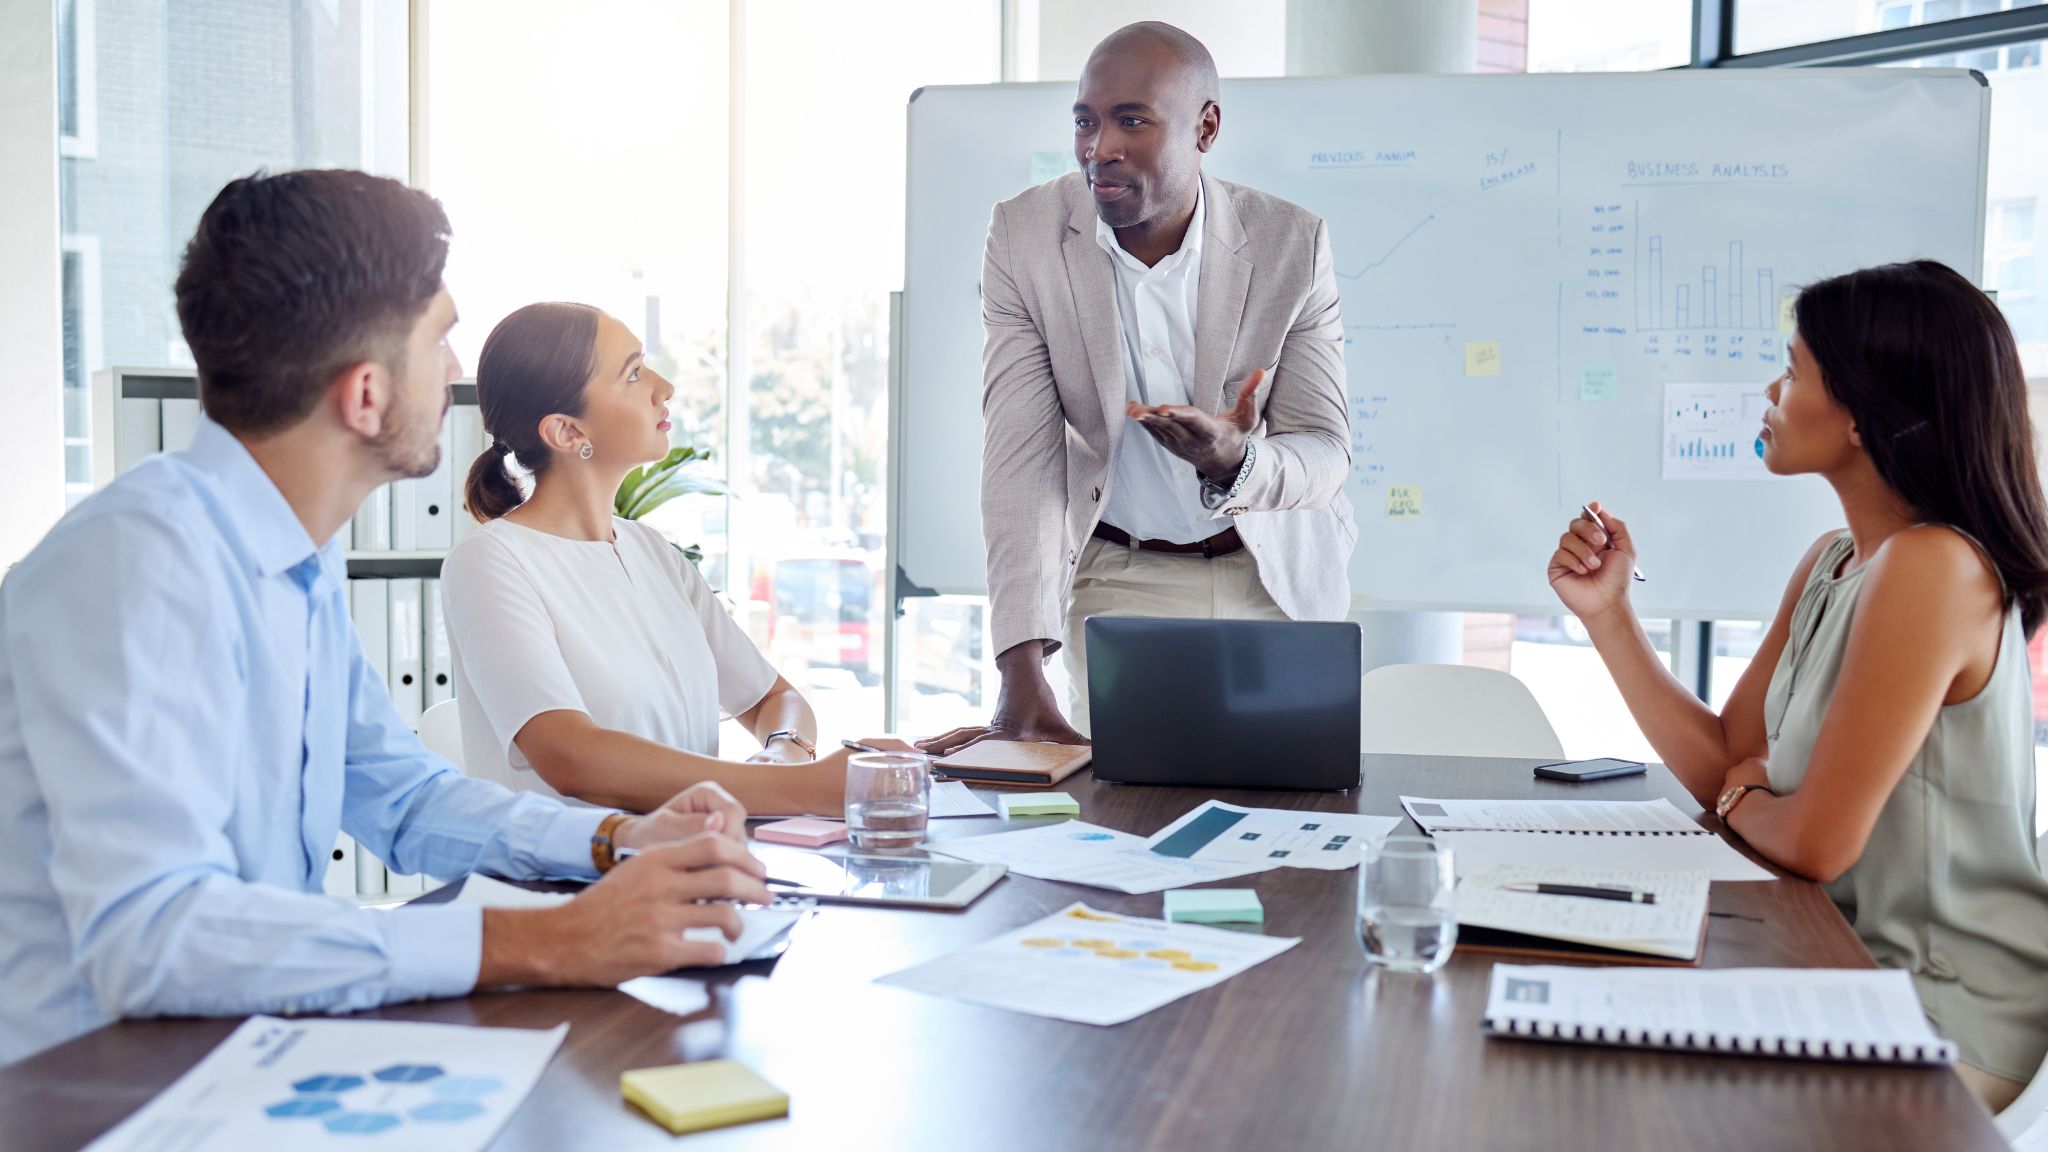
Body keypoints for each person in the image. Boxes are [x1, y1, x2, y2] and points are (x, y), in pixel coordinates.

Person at [0, 170, 772, 1066]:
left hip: (234, 1057)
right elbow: (155, 937)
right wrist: (556, 941)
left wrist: (616, 838)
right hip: (87, 1095)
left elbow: (401, 795)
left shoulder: (296, 557)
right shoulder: (139, 564)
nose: (455, 370)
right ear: (365, 394)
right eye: (440, 338)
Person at [1548, 260, 2048, 1108]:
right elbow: (1725, 761)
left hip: (1937, 1013)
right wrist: (1609, 618)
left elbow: (1818, 841)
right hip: (1831, 965)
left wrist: (1749, 802)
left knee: (1615, 1088)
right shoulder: (1833, 563)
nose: (1770, 391)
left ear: (1860, 414)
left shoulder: (1933, 567)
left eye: (1793, 369)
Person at [920, 21, 1354, 757]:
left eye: (1133, 120)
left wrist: (1234, 462)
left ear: (1205, 127)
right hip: (1126, 578)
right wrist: (1021, 663)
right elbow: (1020, 457)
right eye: (1086, 121)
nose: (1100, 148)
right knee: (1128, 829)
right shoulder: (1025, 237)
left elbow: (1325, 450)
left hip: (1275, 579)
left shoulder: (1290, 242)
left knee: (1288, 821)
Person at [442, 302, 887, 816]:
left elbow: (774, 700)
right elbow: (570, 757)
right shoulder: (490, 563)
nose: (664, 387)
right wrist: (804, 788)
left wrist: (784, 755)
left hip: (690, 870)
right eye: (633, 373)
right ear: (568, 432)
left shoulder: (655, 554)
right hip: (568, 885)